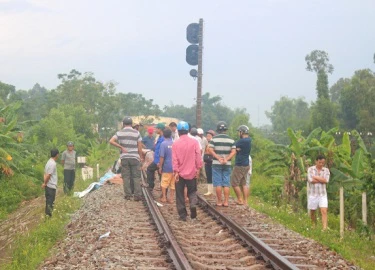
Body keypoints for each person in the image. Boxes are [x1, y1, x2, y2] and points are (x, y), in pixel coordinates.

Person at [173, 121, 202, 221]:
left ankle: (183, 215)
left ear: (178, 131)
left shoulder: (175, 143)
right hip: (192, 172)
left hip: (180, 173)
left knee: (180, 194)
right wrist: (198, 168)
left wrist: (176, 171)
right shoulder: (194, 142)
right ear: (188, 130)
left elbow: (174, 159)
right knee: (192, 191)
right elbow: (198, 156)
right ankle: (193, 204)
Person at [109, 116, 144, 201]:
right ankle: (137, 195)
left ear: (123, 124)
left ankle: (128, 195)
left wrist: (120, 146)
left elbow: (111, 141)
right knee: (136, 176)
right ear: (131, 124)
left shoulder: (119, 133)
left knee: (126, 176)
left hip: (124, 158)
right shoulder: (136, 133)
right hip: (135, 158)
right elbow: (139, 147)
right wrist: (141, 158)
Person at [209, 121, 236, 207]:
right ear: (226, 130)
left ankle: (219, 201)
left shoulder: (214, 139)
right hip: (227, 164)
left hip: (216, 163)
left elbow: (210, 150)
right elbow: (233, 151)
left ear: (217, 130)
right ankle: (226, 202)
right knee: (226, 183)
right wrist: (226, 159)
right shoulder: (231, 140)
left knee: (218, 183)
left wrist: (218, 158)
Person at [307, 155, 330, 230]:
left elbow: (326, 180)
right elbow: (311, 180)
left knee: (324, 210)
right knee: (312, 211)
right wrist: (321, 179)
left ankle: (324, 228)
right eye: (319, 162)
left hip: (322, 194)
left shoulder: (326, 170)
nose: (321, 164)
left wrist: (316, 177)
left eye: (323, 163)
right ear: (316, 161)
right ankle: (313, 225)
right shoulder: (310, 169)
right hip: (313, 194)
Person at [231, 125, 251, 205]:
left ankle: (240, 199)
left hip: (240, 165)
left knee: (234, 183)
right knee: (244, 183)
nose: (238, 134)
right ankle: (245, 201)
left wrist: (236, 149)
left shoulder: (242, 141)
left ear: (241, 132)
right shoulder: (249, 140)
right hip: (246, 164)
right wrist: (237, 149)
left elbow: (233, 145)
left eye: (239, 132)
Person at [147, 123, 165, 191]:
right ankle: (162, 190)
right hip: (157, 159)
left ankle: (151, 186)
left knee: (150, 169)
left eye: (157, 128)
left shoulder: (163, 138)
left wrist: (160, 162)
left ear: (160, 129)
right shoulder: (160, 137)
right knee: (160, 174)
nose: (155, 130)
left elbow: (162, 151)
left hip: (160, 160)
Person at [159, 128, 175, 203]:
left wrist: (160, 166)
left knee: (164, 182)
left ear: (163, 135)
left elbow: (162, 157)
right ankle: (171, 198)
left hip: (166, 166)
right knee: (173, 183)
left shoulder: (163, 144)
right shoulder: (174, 143)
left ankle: (164, 197)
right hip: (174, 167)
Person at [42, 149, 59, 217]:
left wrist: (45, 183)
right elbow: (49, 175)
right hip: (51, 186)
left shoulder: (48, 162)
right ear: (57, 155)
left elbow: (45, 173)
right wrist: (45, 183)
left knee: (48, 202)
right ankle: (48, 217)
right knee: (50, 202)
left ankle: (47, 216)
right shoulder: (53, 164)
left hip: (48, 186)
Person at [203, 130, 215, 196]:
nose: (207, 137)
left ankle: (211, 190)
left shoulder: (212, 144)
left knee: (211, 175)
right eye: (207, 136)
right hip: (207, 162)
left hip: (211, 162)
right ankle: (209, 190)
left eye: (209, 136)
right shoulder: (207, 143)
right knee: (208, 176)